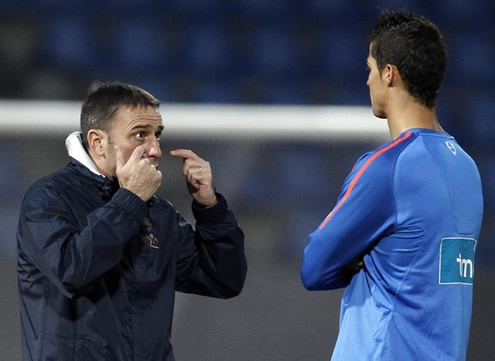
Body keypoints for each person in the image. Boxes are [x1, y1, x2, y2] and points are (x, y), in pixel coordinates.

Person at [16, 81, 247, 361]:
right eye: (140, 135)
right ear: (98, 143)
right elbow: (71, 272)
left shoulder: (157, 212)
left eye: (157, 135)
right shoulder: (49, 198)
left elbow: (223, 280)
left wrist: (210, 208)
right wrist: (130, 199)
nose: (155, 150)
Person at [301, 9, 483, 361]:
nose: (367, 80)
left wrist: (361, 256)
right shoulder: (468, 167)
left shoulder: (388, 166)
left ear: (389, 74)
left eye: (370, 68)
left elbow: (314, 267)